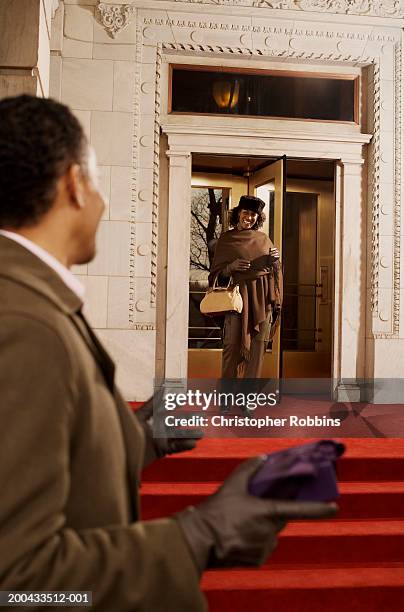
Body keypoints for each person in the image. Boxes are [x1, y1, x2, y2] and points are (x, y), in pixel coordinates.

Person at [0, 95, 336, 611]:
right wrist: (199, 535)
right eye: (96, 182)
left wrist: (133, 439)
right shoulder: (23, 323)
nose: (103, 202)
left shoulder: (32, 298)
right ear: (73, 184)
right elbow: (20, 587)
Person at [209, 195, 283, 382]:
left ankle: (248, 400)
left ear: (258, 218)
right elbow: (215, 276)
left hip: (263, 301)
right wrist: (230, 268)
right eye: (246, 213)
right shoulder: (226, 240)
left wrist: (275, 262)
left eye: (254, 215)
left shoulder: (264, 239)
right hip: (237, 301)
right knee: (231, 347)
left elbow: (276, 273)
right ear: (238, 213)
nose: (249, 217)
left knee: (258, 351)